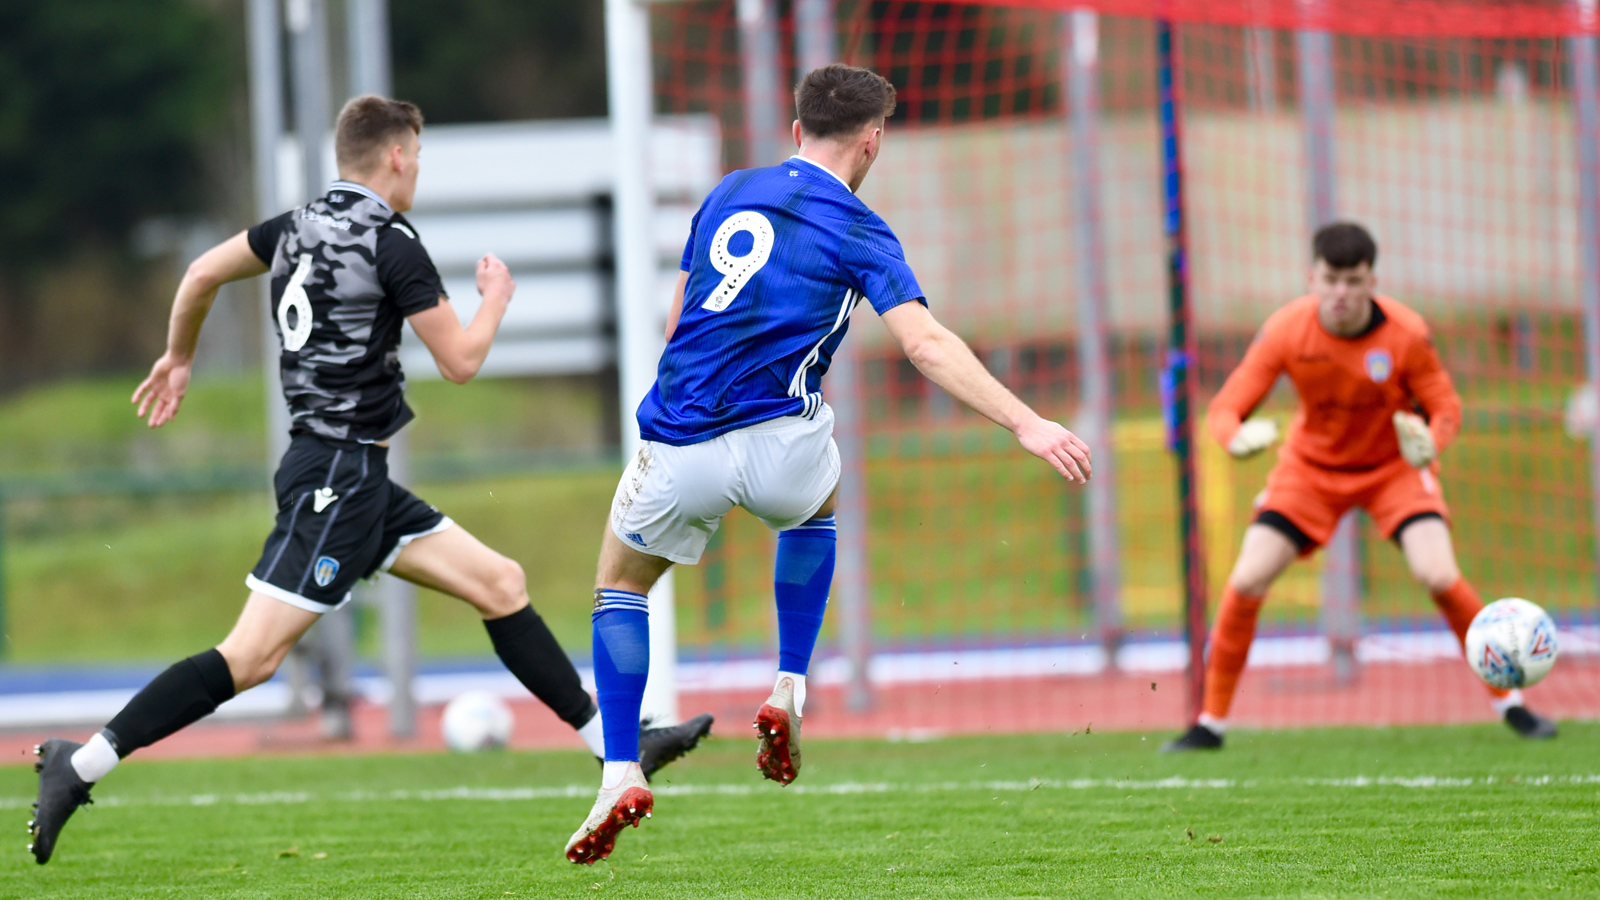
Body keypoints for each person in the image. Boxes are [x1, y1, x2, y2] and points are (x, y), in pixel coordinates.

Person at [27, 95, 712, 865]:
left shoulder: (292, 227)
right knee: (250, 658)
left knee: (500, 582)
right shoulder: (392, 241)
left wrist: (179, 355)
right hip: (339, 478)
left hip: (352, 474)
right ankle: (78, 764)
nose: (417, 168)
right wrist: (494, 302)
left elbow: (200, 272)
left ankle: (618, 747)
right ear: (393, 155)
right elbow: (461, 362)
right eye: (416, 154)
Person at [562, 64, 1093, 864]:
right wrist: (1025, 421)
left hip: (680, 439)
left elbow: (677, 323)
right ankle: (790, 682)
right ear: (873, 139)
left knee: (621, 583)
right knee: (816, 501)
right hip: (782, 443)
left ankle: (621, 772)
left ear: (795, 126)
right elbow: (924, 343)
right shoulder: (860, 229)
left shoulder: (729, 190)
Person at [1161, 222, 1558, 752]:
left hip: (1392, 470)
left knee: (1437, 572)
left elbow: (1446, 407)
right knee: (1248, 577)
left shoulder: (1407, 334)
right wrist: (1234, 438)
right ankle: (1209, 724)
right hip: (1311, 470)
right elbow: (1225, 408)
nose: (1341, 293)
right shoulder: (1286, 330)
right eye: (1331, 280)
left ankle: (1513, 705)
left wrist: (1431, 443)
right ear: (1312, 279)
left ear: (1373, 280)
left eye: (1353, 280)